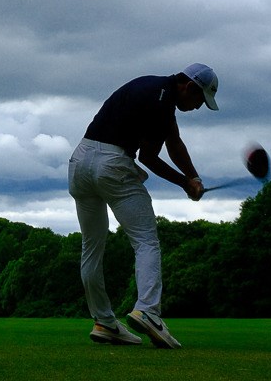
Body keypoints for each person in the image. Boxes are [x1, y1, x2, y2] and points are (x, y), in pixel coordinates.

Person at [68, 62, 219, 349]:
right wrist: (186, 184)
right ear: (188, 86)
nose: (199, 107)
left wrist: (193, 177)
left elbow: (175, 142)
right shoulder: (161, 103)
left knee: (92, 247)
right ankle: (148, 310)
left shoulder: (152, 87)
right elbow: (149, 158)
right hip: (111, 163)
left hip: (79, 163)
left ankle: (104, 322)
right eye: (200, 99)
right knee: (146, 241)